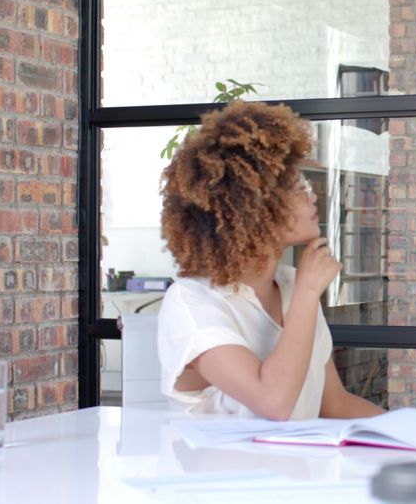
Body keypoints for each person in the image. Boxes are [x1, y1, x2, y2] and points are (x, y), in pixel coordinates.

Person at [157, 101, 384, 420]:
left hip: (298, 469)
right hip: (218, 470)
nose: (313, 195)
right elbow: (273, 402)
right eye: (299, 188)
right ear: (255, 208)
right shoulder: (193, 303)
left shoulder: (293, 284)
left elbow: (335, 405)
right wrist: (308, 292)